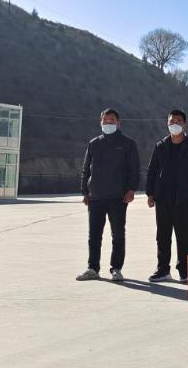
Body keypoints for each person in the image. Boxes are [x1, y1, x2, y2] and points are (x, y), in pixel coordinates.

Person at [76, 108, 140, 282]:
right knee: (94, 235)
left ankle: (116, 269)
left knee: (118, 235)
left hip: (118, 197)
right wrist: (85, 191)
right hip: (95, 196)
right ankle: (92, 268)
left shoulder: (128, 144)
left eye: (112, 120)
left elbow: (134, 169)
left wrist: (131, 189)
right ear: (101, 122)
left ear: (119, 123)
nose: (108, 123)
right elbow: (86, 169)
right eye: (105, 120)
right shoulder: (94, 143)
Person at [146, 109, 188, 283]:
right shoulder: (160, 146)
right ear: (167, 123)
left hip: (184, 199)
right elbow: (152, 171)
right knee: (162, 235)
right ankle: (163, 269)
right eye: (172, 121)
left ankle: (184, 271)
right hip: (162, 197)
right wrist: (150, 193)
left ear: (184, 124)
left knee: (182, 235)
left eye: (179, 121)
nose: (175, 124)